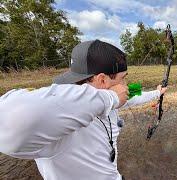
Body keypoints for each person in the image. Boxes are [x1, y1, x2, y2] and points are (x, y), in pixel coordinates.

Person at [0, 40, 167, 180]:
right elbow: (8, 117)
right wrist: (111, 98)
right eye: (123, 79)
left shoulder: (105, 99)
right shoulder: (60, 117)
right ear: (102, 80)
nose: (125, 86)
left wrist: (156, 93)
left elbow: (131, 98)